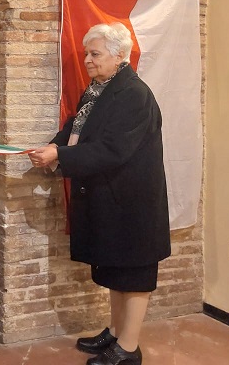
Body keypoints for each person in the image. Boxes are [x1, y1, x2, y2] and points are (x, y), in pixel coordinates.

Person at [28, 22, 171, 365]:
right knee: (115, 271)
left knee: (134, 275)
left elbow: (112, 149)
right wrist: (54, 146)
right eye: (86, 54)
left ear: (119, 55)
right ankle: (116, 332)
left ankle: (128, 348)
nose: (88, 60)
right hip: (112, 197)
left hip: (132, 202)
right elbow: (75, 127)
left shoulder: (134, 94)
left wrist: (60, 156)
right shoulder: (99, 88)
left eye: (95, 54)